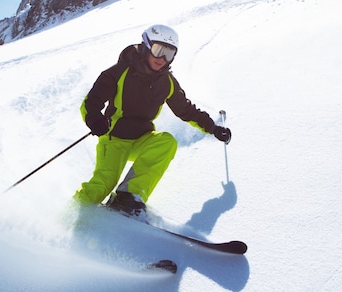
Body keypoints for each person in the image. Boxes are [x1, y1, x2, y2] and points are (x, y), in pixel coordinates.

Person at [73, 24, 232, 215]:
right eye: (158, 51)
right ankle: (70, 214)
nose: (162, 59)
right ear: (146, 46)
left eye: (169, 54)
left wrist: (213, 128)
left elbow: (186, 110)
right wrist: (94, 119)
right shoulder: (117, 73)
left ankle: (129, 197)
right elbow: (91, 102)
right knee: (102, 185)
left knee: (166, 142)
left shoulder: (167, 82)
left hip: (142, 138)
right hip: (114, 139)